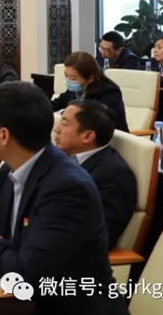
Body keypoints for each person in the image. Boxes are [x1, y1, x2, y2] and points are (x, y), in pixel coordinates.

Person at [0, 82, 130, 315]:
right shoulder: (12, 168)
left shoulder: (66, 187)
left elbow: (27, 275)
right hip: (25, 303)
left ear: (4, 135)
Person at [54, 100, 137, 250]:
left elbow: (100, 236)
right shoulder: (63, 158)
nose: (56, 129)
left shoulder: (114, 175)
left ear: (87, 136)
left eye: (64, 124)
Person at [52, 52, 129, 132]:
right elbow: (57, 103)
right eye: (66, 76)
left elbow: (100, 122)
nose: (68, 81)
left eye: (72, 78)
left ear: (90, 78)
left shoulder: (109, 92)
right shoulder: (74, 90)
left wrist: (65, 113)